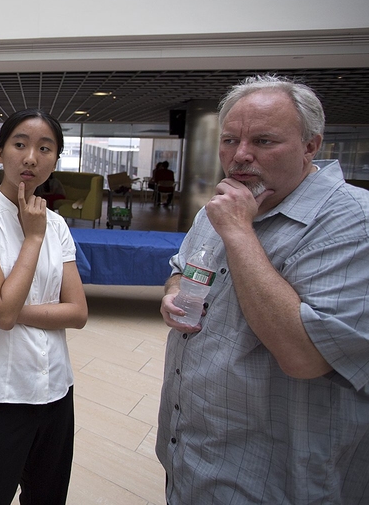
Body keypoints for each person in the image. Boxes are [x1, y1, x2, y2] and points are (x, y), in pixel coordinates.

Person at [157, 74, 369, 503]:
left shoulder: (352, 222)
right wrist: (174, 290)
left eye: (264, 141)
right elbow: (182, 269)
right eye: (230, 140)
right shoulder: (222, 208)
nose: (241, 156)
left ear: (311, 146)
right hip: (192, 454)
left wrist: (239, 233)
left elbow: (305, 356)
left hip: (273, 477)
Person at [0, 109, 88, 504]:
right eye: (20, 144)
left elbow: (76, 312)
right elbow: (3, 314)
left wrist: (1, 310)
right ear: (0, 150)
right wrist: (32, 239)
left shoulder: (57, 225)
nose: (31, 157)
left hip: (56, 388)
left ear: (55, 159)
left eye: (45, 148)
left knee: (47, 497)